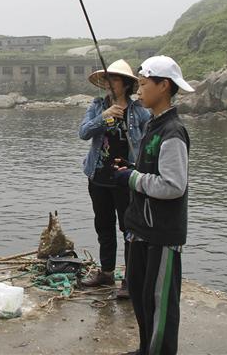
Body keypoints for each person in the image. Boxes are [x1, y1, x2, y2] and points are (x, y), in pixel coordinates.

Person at [113, 55, 195, 355]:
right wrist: (131, 169)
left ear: (164, 86)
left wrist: (133, 178)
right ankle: (145, 349)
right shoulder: (154, 125)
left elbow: (173, 186)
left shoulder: (172, 131)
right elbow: (151, 170)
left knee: (160, 303)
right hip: (141, 229)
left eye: (145, 84)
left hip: (161, 233)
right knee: (142, 296)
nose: (139, 90)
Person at [78, 59, 151, 298]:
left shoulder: (139, 112)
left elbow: (146, 145)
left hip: (126, 179)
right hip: (98, 176)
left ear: (126, 85)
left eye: (115, 79)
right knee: (103, 225)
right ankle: (106, 272)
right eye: (108, 79)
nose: (110, 84)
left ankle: (130, 279)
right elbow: (84, 132)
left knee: (129, 228)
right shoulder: (98, 105)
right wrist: (105, 116)